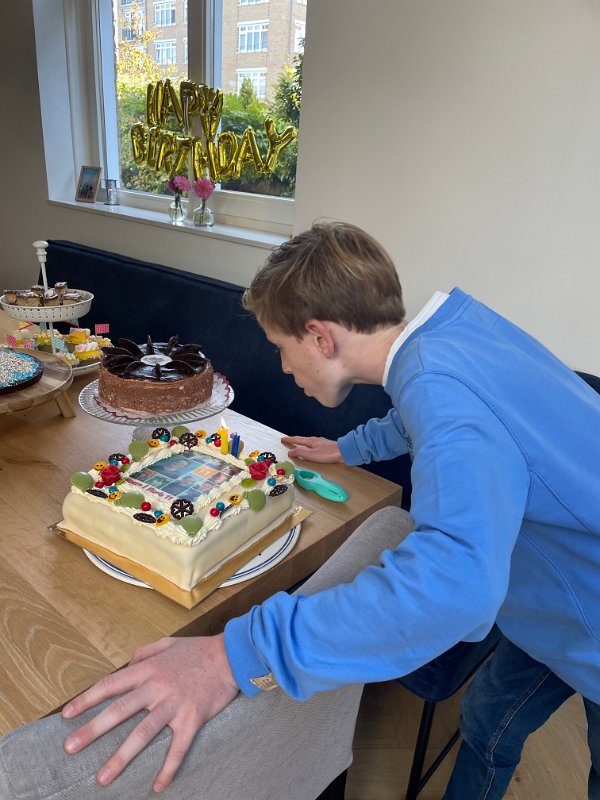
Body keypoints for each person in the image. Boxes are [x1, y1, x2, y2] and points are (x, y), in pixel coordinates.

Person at [61, 222, 600, 798]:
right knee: (489, 719)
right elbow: (436, 416)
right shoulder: (444, 339)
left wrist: (234, 654)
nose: (284, 367)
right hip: (553, 602)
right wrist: (350, 448)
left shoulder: (442, 393)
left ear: (319, 337)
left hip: (586, 607)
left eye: (281, 348)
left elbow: (453, 587)